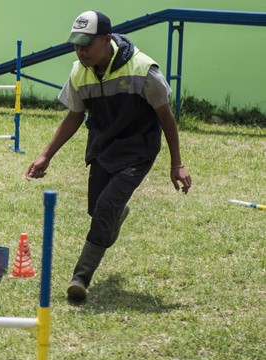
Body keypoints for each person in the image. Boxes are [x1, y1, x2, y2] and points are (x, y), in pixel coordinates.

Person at [25, 10, 192, 303]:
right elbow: (74, 116)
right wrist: (45, 156)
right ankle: (117, 213)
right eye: (77, 44)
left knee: (104, 208)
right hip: (103, 147)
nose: (81, 51)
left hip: (138, 149)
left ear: (106, 39)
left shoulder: (143, 70)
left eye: (87, 44)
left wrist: (176, 163)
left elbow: (166, 116)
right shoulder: (79, 71)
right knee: (97, 210)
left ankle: (80, 278)